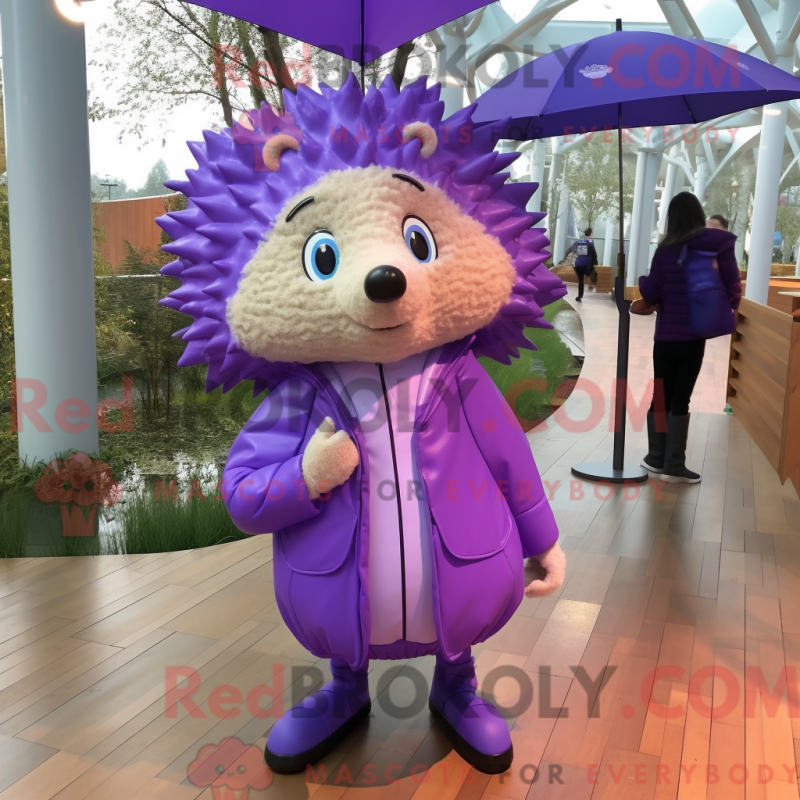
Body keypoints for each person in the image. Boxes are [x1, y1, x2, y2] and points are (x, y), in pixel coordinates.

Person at [633, 192, 741, 483]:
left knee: (660, 395)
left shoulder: (665, 250)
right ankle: (674, 465)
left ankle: (655, 458)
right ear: (698, 215)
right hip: (694, 335)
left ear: (672, 217)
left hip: (665, 337)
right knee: (681, 398)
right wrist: (726, 306)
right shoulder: (715, 246)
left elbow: (651, 291)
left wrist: (644, 281)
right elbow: (733, 285)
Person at [567, 227, 598, 302]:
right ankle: (591, 278)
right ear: (591, 233)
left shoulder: (578, 242)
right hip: (588, 265)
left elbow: (569, 250)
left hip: (579, 264)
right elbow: (594, 254)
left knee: (581, 280)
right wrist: (595, 263)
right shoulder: (590, 243)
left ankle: (579, 296)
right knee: (591, 273)